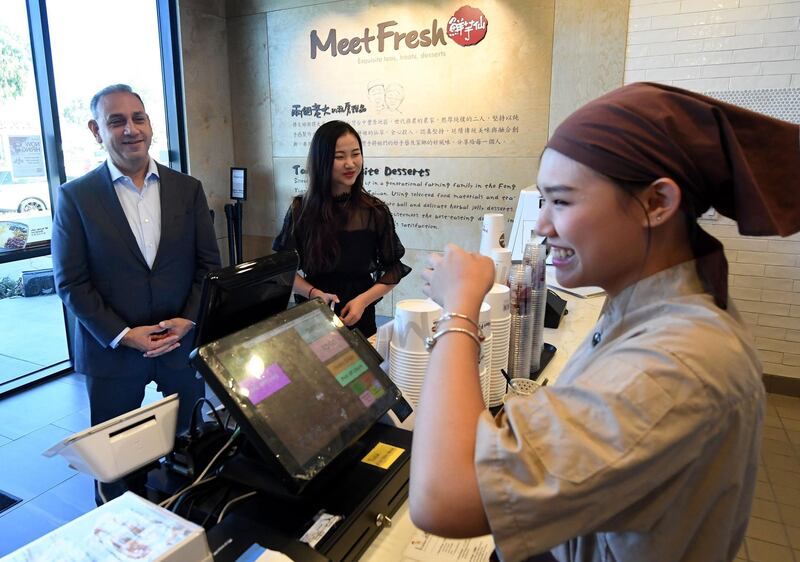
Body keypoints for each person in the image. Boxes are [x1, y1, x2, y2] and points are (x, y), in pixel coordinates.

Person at [410, 83, 800, 561]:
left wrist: (459, 309)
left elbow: (443, 498)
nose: (542, 226)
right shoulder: (643, 308)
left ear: (657, 203)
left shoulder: (677, 364)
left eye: (563, 202)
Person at [52, 84, 221, 502]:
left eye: (138, 118)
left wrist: (190, 319)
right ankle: (120, 528)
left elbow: (208, 267)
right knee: (116, 467)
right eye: (116, 121)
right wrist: (124, 334)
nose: (130, 129)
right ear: (96, 130)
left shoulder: (188, 189)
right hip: (112, 352)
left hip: (181, 343)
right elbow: (71, 282)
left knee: (193, 445)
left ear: (150, 125)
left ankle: (187, 519)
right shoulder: (76, 197)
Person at [273, 120, 410, 337]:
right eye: (339, 157)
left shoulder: (375, 211)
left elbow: (393, 269)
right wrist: (314, 293)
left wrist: (362, 301)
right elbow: (282, 269)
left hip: (360, 314)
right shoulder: (301, 210)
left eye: (355, 154)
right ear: (322, 161)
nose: (350, 163)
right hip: (313, 313)